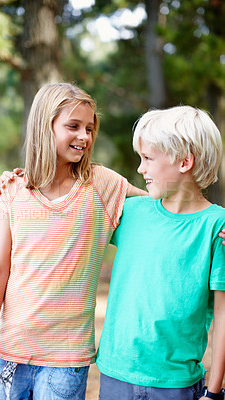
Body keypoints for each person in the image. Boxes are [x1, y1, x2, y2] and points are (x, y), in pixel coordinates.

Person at [0, 82, 146, 400]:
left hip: (66, 362)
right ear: (44, 126)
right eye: (73, 126)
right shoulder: (14, 190)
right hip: (7, 354)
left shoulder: (103, 185)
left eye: (90, 128)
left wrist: (213, 220)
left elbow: (164, 210)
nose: (85, 137)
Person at [96, 105, 225, 400]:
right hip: (116, 374)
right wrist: (22, 183)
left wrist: (214, 391)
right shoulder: (130, 212)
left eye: (148, 158)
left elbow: (223, 313)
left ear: (184, 162)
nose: (141, 168)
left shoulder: (216, 226)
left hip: (175, 383)